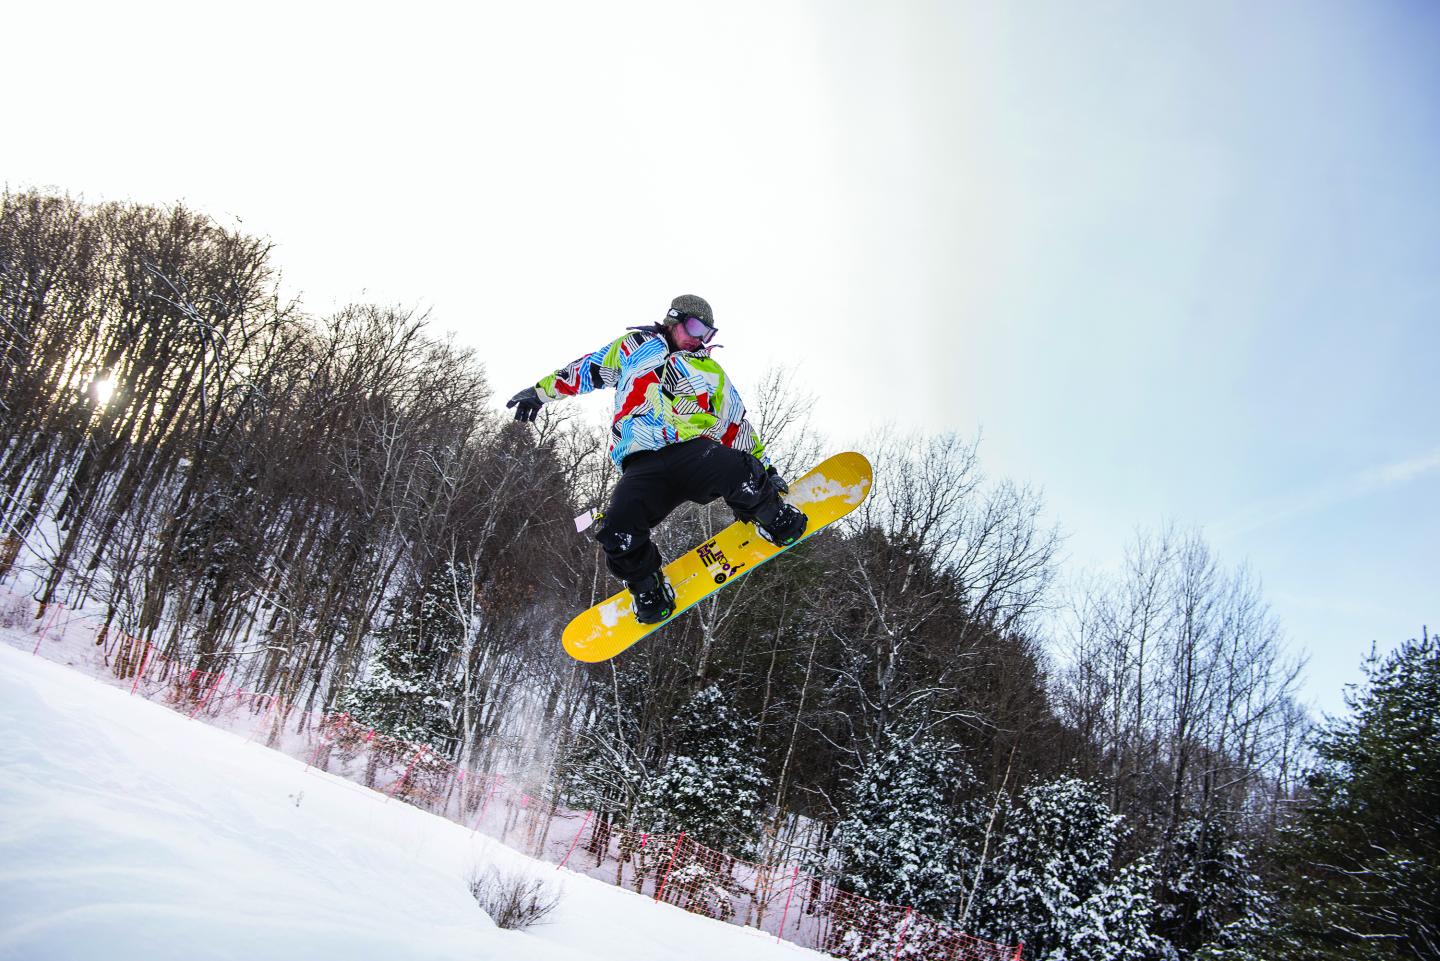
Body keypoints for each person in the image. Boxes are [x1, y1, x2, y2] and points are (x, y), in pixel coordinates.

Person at [506, 295, 807, 623]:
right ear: (674, 320)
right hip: (641, 463)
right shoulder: (635, 347)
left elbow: (734, 422)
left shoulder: (710, 372)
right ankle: (648, 589)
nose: (699, 338)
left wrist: (765, 468)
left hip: (693, 452)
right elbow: (586, 369)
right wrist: (539, 392)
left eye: (708, 333)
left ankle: (771, 516)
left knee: (735, 469)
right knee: (617, 528)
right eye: (694, 327)